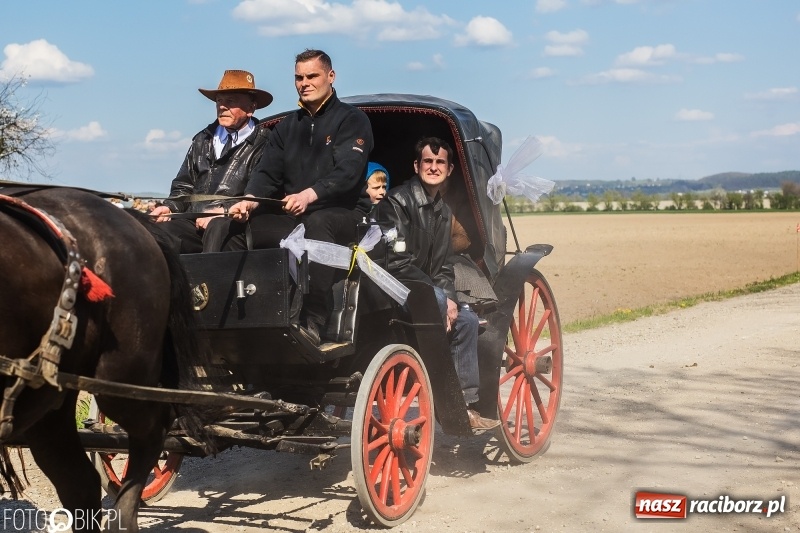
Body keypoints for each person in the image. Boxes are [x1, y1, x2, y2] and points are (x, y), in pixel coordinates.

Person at [228, 50, 374, 345]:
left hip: (344, 213)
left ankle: (314, 318)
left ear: (330, 77)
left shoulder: (352, 120)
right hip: (295, 213)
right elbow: (266, 174)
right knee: (247, 226)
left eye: (312, 76)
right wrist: (250, 200)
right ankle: (248, 312)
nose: (304, 83)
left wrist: (309, 195)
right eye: (299, 77)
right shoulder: (285, 128)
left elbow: (348, 171)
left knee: (319, 223)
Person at [372, 136, 500, 432]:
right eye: (427, 162)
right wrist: (438, 296)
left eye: (439, 162)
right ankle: (439, 387)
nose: (433, 167)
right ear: (416, 166)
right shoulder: (398, 202)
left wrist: (452, 299)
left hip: (426, 289)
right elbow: (396, 263)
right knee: (438, 302)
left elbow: (443, 266)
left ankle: (461, 407)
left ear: (450, 168)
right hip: (394, 287)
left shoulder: (443, 211)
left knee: (467, 319)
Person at [151, 69, 273, 253]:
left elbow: (261, 191)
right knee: (159, 232)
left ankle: (211, 282)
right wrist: (169, 208)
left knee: (218, 228)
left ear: (251, 108)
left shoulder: (266, 143)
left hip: (234, 225)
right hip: (193, 222)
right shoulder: (202, 139)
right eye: (219, 101)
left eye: (230, 101)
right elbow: (183, 186)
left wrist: (222, 211)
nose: (222, 107)